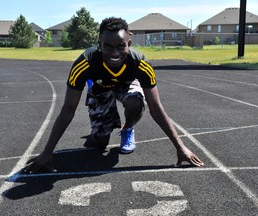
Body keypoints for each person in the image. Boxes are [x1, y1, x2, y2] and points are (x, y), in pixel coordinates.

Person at [23, 17, 204, 173]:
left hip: (126, 85)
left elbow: (156, 108)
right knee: (100, 143)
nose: (115, 53)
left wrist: (181, 148)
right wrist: (47, 152)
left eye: (121, 46)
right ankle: (97, 132)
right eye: (108, 46)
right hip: (100, 89)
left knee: (135, 101)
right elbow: (68, 109)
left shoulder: (140, 64)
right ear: (99, 45)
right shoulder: (85, 63)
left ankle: (127, 129)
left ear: (129, 44)